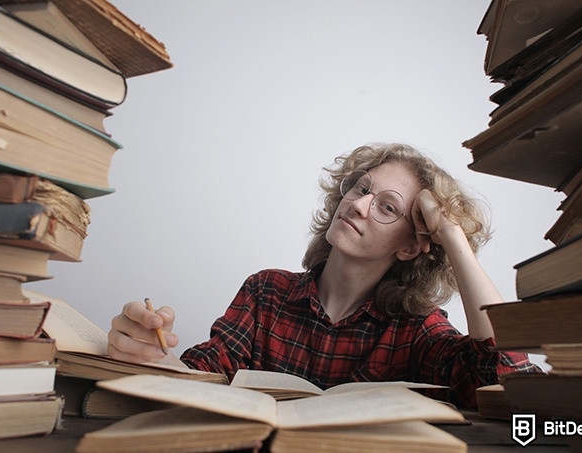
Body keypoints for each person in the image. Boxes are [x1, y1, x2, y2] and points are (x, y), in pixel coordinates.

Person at [108, 142, 540, 409]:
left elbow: (506, 377)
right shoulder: (266, 292)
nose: (358, 204)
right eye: (361, 188)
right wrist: (154, 358)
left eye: (387, 207)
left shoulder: (417, 330)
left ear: (410, 246)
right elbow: (204, 371)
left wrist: (452, 236)